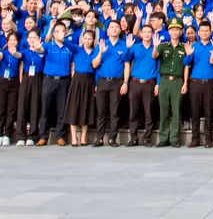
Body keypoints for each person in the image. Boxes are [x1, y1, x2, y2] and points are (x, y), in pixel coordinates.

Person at [122, 23, 160, 147]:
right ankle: (133, 138)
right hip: (135, 82)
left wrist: (158, 84)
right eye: (145, 32)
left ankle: (146, 138)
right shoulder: (135, 47)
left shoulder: (156, 48)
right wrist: (127, 48)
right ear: (141, 34)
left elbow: (159, 68)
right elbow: (126, 59)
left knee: (149, 112)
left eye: (150, 32)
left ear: (153, 34)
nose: (147, 34)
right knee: (133, 111)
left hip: (149, 83)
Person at [92, 19, 128, 147]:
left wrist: (125, 82)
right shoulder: (101, 44)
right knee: (101, 112)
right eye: (111, 27)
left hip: (117, 82)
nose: (114, 29)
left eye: (116, 27)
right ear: (107, 30)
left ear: (120, 30)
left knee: (114, 111)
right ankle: (100, 138)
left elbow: (126, 66)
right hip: (102, 81)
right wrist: (100, 53)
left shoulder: (123, 45)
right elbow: (94, 64)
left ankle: (113, 138)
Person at [154, 22, 189, 147]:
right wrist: (155, 47)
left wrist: (185, 83)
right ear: (169, 32)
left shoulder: (184, 47)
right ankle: (163, 137)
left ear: (180, 32)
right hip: (164, 80)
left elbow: (186, 66)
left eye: (177, 30)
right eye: (172, 30)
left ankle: (174, 138)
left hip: (177, 81)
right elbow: (154, 56)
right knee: (164, 110)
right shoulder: (163, 46)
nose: (174, 32)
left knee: (176, 111)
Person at [185, 20, 213, 148]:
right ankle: (195, 139)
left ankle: (208, 139)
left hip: (209, 82)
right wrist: (188, 55)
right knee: (195, 112)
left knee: (209, 112)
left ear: (210, 32)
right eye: (202, 31)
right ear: (198, 33)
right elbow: (186, 63)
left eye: (207, 31)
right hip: (195, 83)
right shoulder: (194, 46)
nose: (204, 33)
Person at [64, 28, 99, 147]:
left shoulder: (95, 51)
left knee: (86, 107)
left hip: (89, 80)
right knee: (74, 107)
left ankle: (83, 137)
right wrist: (61, 36)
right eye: (85, 38)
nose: (87, 41)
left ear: (93, 40)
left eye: (90, 39)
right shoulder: (77, 49)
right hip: (77, 80)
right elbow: (67, 43)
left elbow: (96, 68)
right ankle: (74, 137)